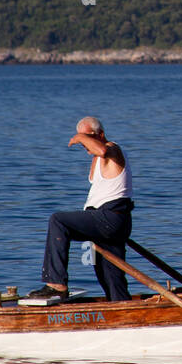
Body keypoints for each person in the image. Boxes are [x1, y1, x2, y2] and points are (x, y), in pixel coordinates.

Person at [29, 116, 134, 301]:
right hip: (102, 221)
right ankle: (122, 307)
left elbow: (101, 149)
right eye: (82, 140)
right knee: (110, 277)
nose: (84, 144)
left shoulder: (113, 149)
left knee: (58, 220)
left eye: (87, 138)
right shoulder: (97, 159)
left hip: (110, 218)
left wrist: (78, 137)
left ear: (100, 134)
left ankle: (56, 283)